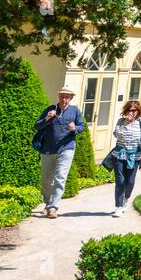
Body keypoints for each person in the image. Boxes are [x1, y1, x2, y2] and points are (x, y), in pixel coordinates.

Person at [35, 86, 87, 219]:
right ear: (59, 97)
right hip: (47, 149)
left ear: (71, 98)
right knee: (46, 179)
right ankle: (47, 203)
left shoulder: (75, 111)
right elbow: (37, 125)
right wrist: (47, 118)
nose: (64, 99)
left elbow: (82, 126)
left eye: (67, 97)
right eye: (62, 96)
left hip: (67, 148)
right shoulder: (50, 109)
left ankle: (53, 207)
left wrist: (74, 128)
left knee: (60, 178)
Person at [110, 100, 141, 217]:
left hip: (134, 155)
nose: (131, 112)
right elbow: (116, 134)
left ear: (138, 111)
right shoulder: (121, 121)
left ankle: (126, 198)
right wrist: (125, 122)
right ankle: (119, 206)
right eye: (129, 110)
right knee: (120, 181)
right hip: (120, 154)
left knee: (130, 181)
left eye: (133, 110)